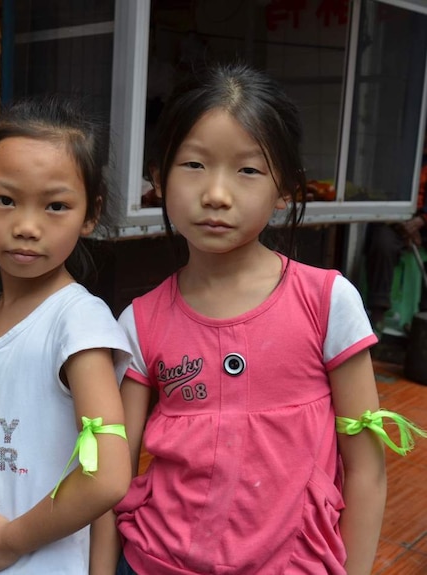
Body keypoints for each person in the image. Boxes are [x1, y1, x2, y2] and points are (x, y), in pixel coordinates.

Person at [111, 62, 393, 575]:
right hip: (154, 561)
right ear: (158, 176)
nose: (216, 194)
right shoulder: (140, 322)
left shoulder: (328, 302)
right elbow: (115, 474)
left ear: (284, 189)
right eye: (194, 164)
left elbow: (366, 472)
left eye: (248, 170)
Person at [0, 95, 133, 575]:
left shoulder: (76, 323)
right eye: (4, 200)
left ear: (90, 213)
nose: (25, 226)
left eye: (56, 206)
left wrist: (11, 540)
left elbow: (106, 477)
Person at [363, 146, 427, 333]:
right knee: (382, 242)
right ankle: (378, 312)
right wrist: (403, 222)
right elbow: (383, 197)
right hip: (397, 222)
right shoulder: (401, 159)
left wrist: (421, 221)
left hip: (422, 223)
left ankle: (419, 317)